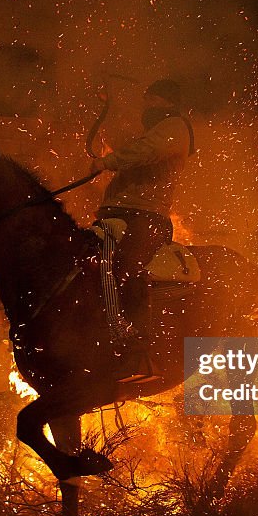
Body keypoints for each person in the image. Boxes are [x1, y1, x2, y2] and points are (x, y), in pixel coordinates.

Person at [89, 79, 194, 339]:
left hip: (145, 217)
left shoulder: (176, 127)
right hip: (118, 215)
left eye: (151, 99)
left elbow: (147, 150)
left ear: (167, 101)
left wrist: (107, 162)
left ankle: (135, 337)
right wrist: (108, 100)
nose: (145, 105)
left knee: (124, 269)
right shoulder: (155, 130)